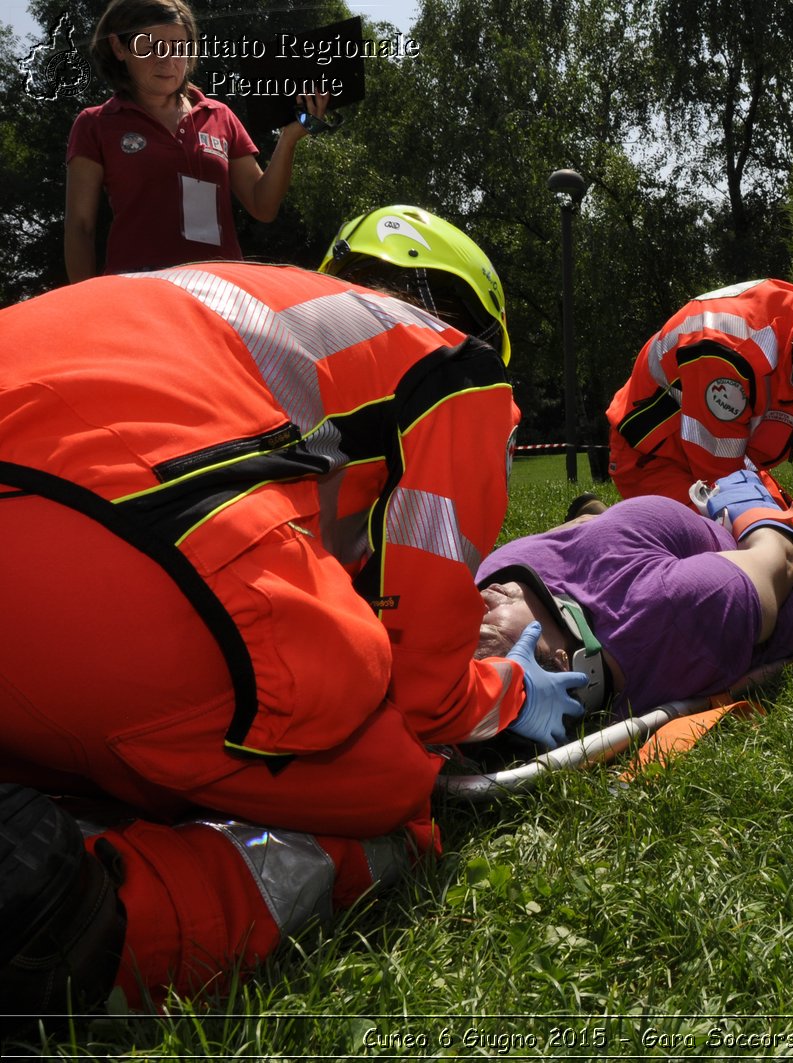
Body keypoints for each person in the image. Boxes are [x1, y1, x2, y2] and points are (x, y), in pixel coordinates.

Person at [0, 207, 571, 1018]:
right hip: (132, 544)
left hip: (66, 544)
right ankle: (86, 930)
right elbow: (424, 692)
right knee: (393, 791)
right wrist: (506, 692)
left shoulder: (240, 313)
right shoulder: (461, 369)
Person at [471, 471, 793, 755]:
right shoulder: (669, 614)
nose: (478, 606)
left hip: (705, 541)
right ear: (562, 664)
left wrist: (593, 522)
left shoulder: (495, 579)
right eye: (490, 626)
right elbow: (778, 559)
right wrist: (752, 505)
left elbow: (569, 534)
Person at [64, 0, 330, 282]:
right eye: (150, 45)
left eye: (179, 46)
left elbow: (263, 207)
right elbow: (80, 227)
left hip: (220, 290)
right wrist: (88, 309)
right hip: (139, 293)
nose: (167, 59)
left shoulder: (220, 115)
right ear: (119, 48)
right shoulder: (95, 123)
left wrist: (288, 139)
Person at [604, 278, 793, 507]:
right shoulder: (725, 358)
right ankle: (591, 520)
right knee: (733, 539)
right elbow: (719, 482)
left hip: (730, 459)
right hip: (653, 461)